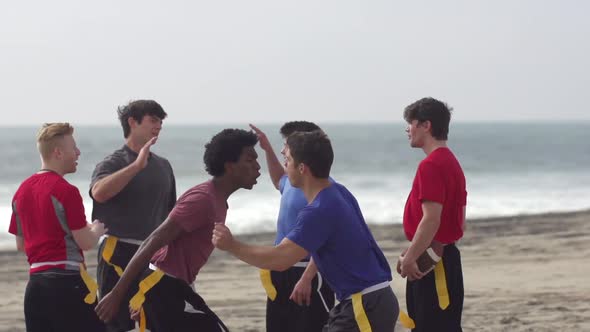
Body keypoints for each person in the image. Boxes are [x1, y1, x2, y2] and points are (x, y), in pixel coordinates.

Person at [213, 131, 399, 332]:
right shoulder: (338, 192)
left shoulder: (319, 210)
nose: (285, 165)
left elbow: (280, 259)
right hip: (370, 301)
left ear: (302, 168)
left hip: (365, 306)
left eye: (288, 160)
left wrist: (232, 245)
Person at [95, 128, 261, 332]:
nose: (258, 167)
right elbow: (153, 240)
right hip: (163, 287)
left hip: (174, 288)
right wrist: (118, 294)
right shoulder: (203, 199)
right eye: (250, 160)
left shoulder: (218, 201)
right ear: (230, 166)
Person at [8, 123, 107, 332]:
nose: (78, 152)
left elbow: (21, 245)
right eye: (74, 147)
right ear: (58, 153)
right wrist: (96, 230)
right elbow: (86, 242)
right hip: (67, 283)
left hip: (35, 286)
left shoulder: (21, 191)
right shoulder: (66, 190)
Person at [90, 100, 177, 332]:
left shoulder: (163, 166)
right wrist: (136, 166)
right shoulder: (114, 162)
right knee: (118, 322)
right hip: (118, 252)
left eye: (160, 121)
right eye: (153, 120)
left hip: (154, 254)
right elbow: (99, 193)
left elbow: (171, 216)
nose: (158, 126)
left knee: (153, 321)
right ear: (132, 122)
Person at [249, 122, 335, 332]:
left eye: (285, 146)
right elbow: (279, 179)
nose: (282, 150)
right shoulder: (292, 181)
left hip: (310, 272)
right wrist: (267, 149)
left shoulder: (322, 190)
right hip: (280, 269)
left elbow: (325, 240)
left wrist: (307, 278)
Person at [397, 97, 467, 332]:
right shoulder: (452, 162)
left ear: (426, 125)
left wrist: (411, 257)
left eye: (411, 123)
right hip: (444, 259)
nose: (408, 129)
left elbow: (431, 219)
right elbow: (459, 222)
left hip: (435, 266)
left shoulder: (431, 165)